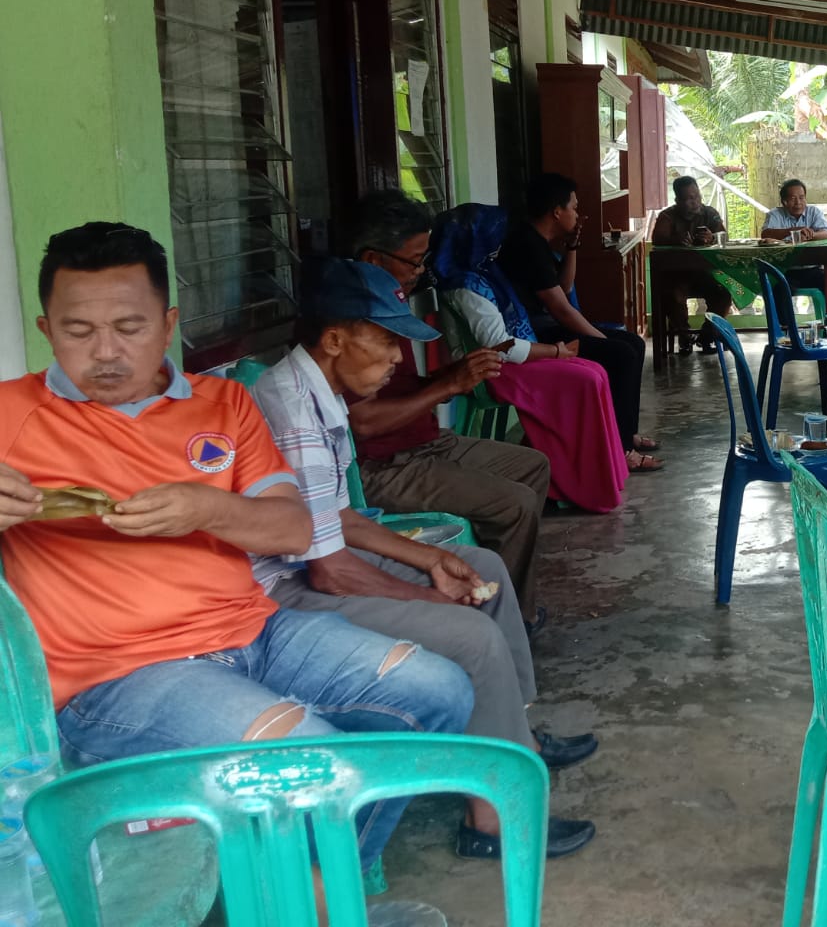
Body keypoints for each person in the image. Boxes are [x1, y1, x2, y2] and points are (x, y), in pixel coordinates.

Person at [0, 223, 472, 920]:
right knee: (313, 757)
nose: (104, 352)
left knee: (439, 690)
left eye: (129, 327)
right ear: (45, 328)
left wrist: (203, 508)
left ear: (167, 325)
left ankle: (311, 899)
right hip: (117, 680)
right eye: (77, 331)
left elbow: (292, 527)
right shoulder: (10, 415)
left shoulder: (224, 404)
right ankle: (325, 907)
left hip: (257, 634)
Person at [251, 258, 599, 860]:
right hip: (284, 595)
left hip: (315, 566)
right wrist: (429, 598)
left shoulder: (317, 391)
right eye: (385, 341)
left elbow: (338, 518)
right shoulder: (292, 412)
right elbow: (327, 569)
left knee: (482, 568)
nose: (396, 359)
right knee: (467, 630)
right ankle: (490, 820)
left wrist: (430, 562)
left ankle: (517, 740)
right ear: (334, 339)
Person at [345, 191, 552, 630]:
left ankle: (505, 600)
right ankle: (502, 624)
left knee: (532, 466)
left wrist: (455, 375)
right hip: (384, 466)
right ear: (372, 258)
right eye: (414, 261)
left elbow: (398, 393)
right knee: (514, 504)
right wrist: (447, 387)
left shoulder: (390, 302)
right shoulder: (350, 323)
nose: (421, 273)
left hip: (425, 443)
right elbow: (363, 421)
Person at [433, 204, 632, 511]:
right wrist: (555, 351)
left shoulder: (482, 273)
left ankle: (598, 475)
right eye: (494, 236)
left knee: (595, 372)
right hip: (493, 369)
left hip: (511, 361)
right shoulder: (463, 287)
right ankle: (564, 484)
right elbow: (501, 346)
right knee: (584, 379)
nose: (499, 243)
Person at [500, 173, 661, 466]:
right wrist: (600, 339)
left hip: (549, 327)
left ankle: (626, 433)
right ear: (556, 211)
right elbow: (562, 310)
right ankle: (623, 451)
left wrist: (571, 248)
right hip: (538, 337)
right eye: (573, 207)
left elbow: (564, 288)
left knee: (634, 344)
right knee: (621, 353)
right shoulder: (528, 245)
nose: (577, 212)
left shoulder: (538, 241)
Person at [650, 175, 733, 353]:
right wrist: (675, 239)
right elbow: (657, 238)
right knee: (673, 296)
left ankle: (707, 335)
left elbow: (724, 237)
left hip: (706, 274)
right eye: (688, 198)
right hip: (677, 276)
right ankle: (684, 336)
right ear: (678, 200)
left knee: (724, 293)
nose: (694, 202)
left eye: (696, 196)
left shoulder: (710, 213)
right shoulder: (668, 216)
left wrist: (712, 238)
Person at [760, 179, 827, 311]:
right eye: (793, 198)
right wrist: (793, 231)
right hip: (785, 271)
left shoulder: (813, 212)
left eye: (802, 198)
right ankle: (786, 329)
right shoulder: (775, 214)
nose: (798, 202)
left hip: (812, 271)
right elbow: (766, 233)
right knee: (779, 290)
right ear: (784, 201)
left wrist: (809, 235)